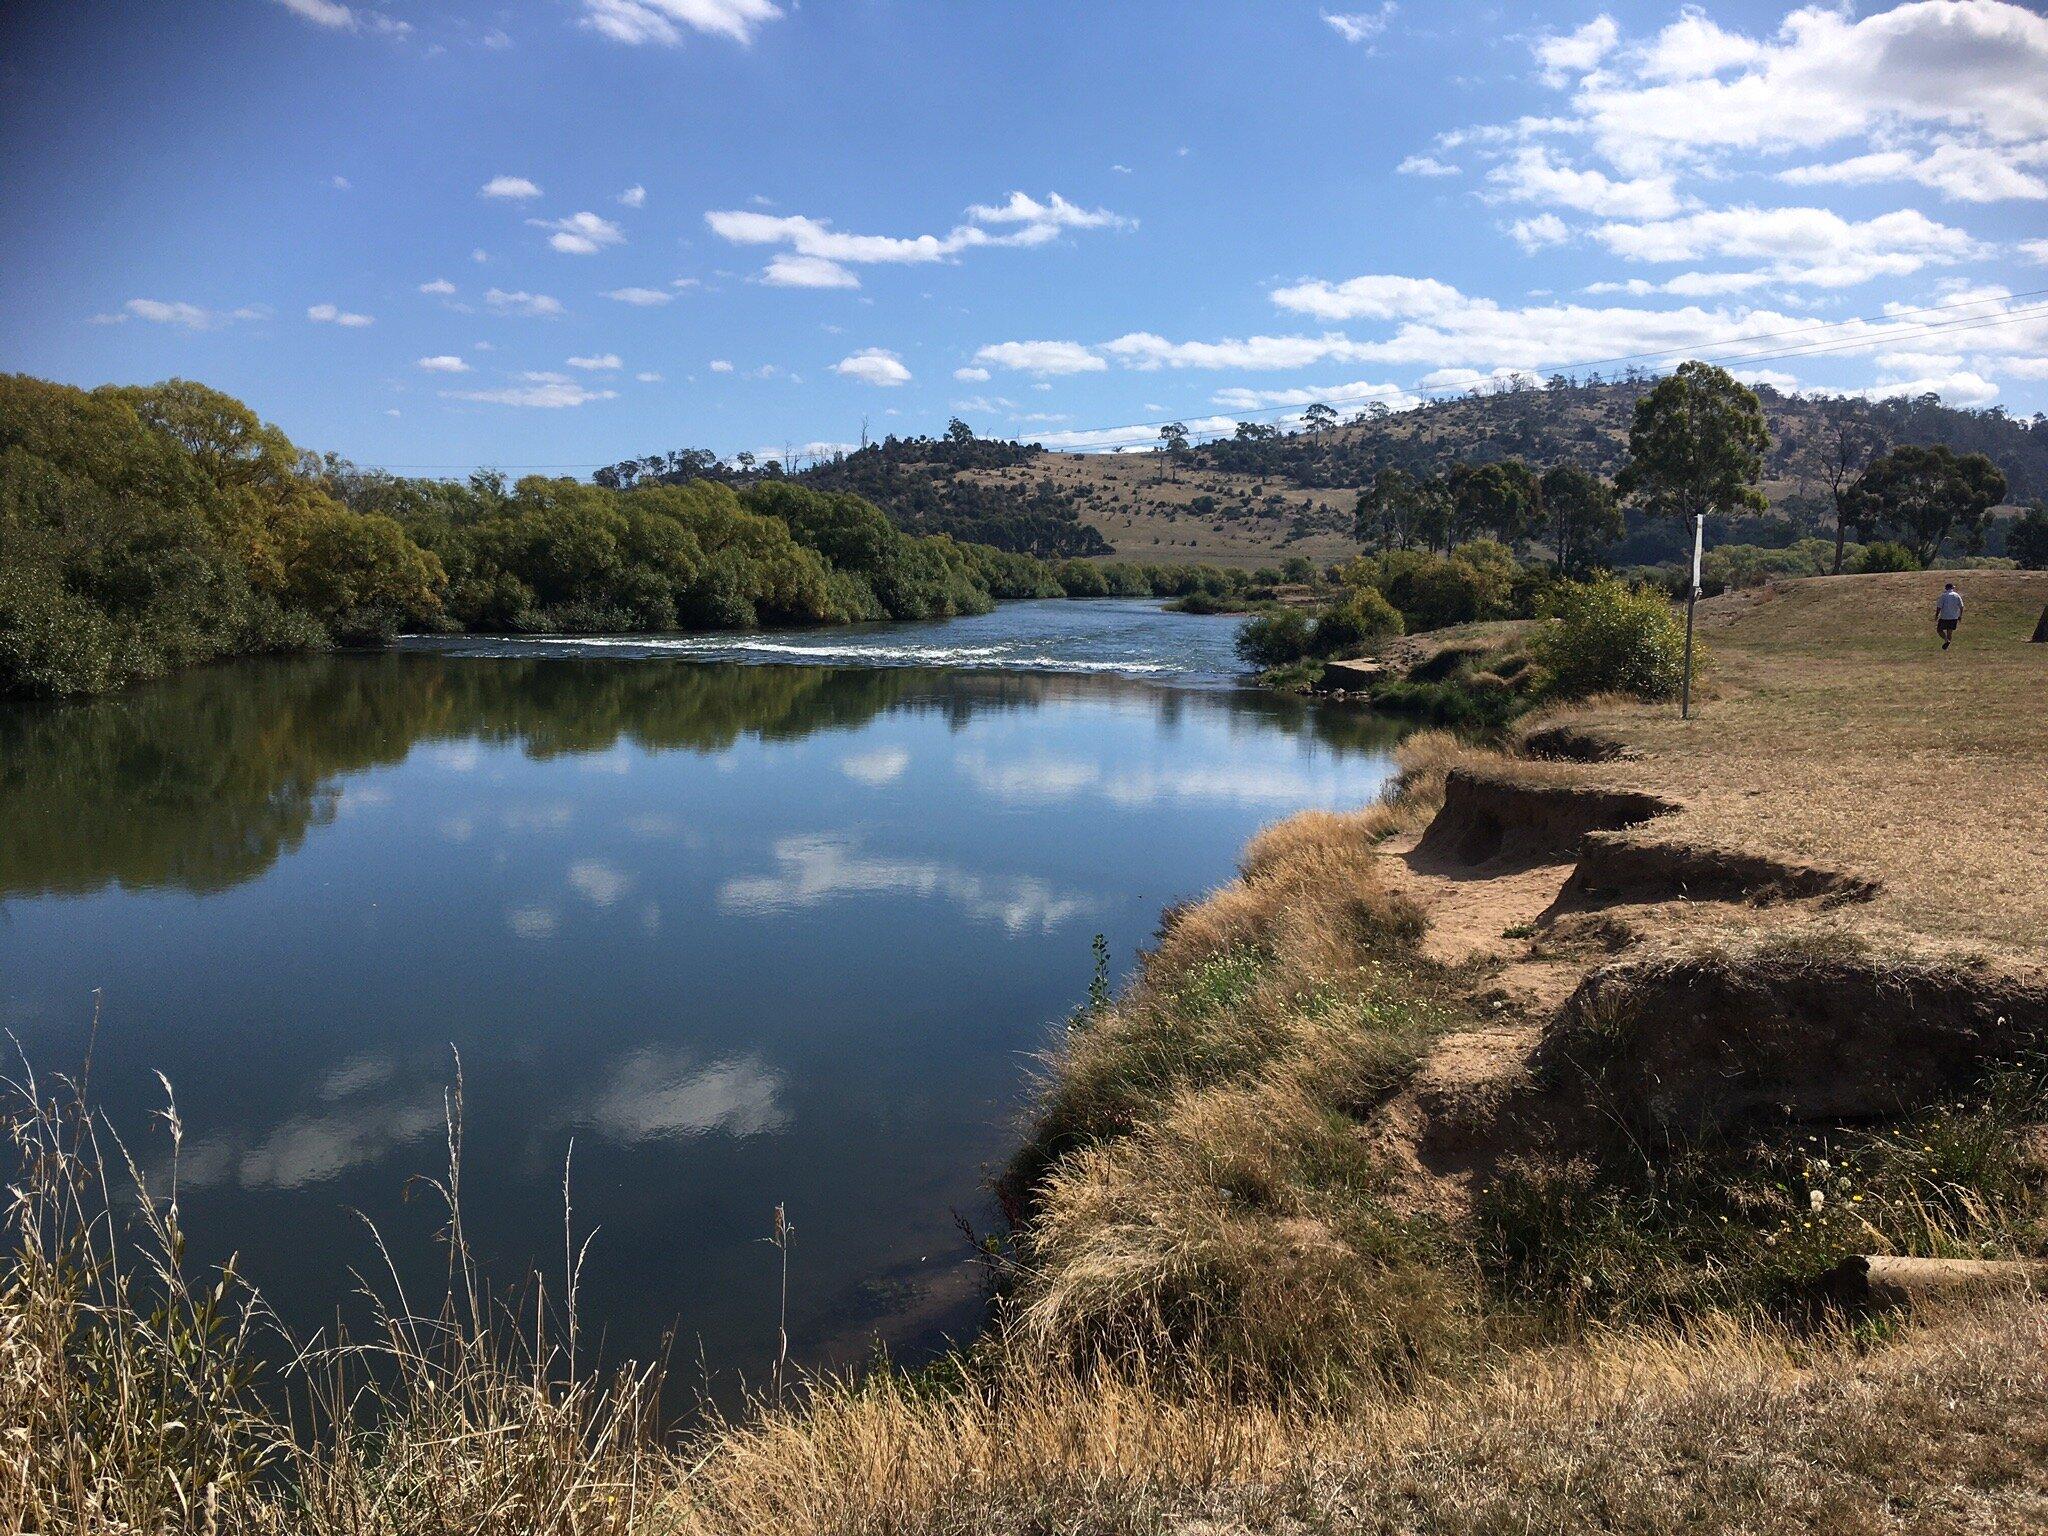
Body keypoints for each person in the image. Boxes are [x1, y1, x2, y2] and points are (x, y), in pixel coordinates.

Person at [1934, 582, 1964, 649]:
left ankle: (1946, 640)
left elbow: (1939, 607)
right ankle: (1947, 645)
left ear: (1946, 588)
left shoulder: (1943, 596)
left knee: (1939, 630)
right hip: (1953, 617)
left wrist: (1936, 615)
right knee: (1949, 632)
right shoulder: (1957, 595)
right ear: (1952, 588)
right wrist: (1960, 615)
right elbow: (1961, 606)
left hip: (1944, 616)